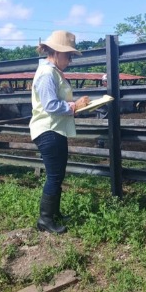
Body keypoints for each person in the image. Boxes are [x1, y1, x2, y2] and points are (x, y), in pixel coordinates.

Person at [29, 31, 90, 235]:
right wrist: (74, 106)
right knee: (54, 176)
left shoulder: (52, 71)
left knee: (57, 174)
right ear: (56, 52)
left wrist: (74, 106)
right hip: (49, 129)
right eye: (69, 55)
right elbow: (51, 105)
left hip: (54, 129)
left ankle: (53, 214)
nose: (70, 60)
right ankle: (45, 220)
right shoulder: (47, 74)